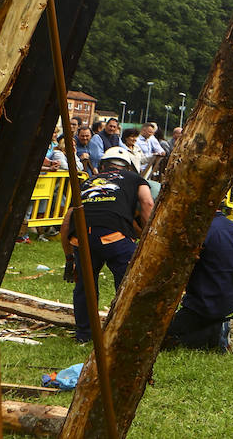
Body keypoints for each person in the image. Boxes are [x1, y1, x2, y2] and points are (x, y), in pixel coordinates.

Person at [62, 146, 154, 343]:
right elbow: (147, 204)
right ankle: (124, 333)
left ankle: (85, 335)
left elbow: (68, 219)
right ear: (128, 166)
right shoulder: (134, 178)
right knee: (128, 284)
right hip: (113, 235)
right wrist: (151, 239)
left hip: (81, 238)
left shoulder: (88, 182)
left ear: (103, 165)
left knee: (85, 286)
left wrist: (69, 258)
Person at [164, 210, 233, 352]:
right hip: (229, 298)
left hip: (203, 302)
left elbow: (180, 267)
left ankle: (217, 334)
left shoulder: (201, 231)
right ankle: (230, 323)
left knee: (168, 337)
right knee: (199, 323)